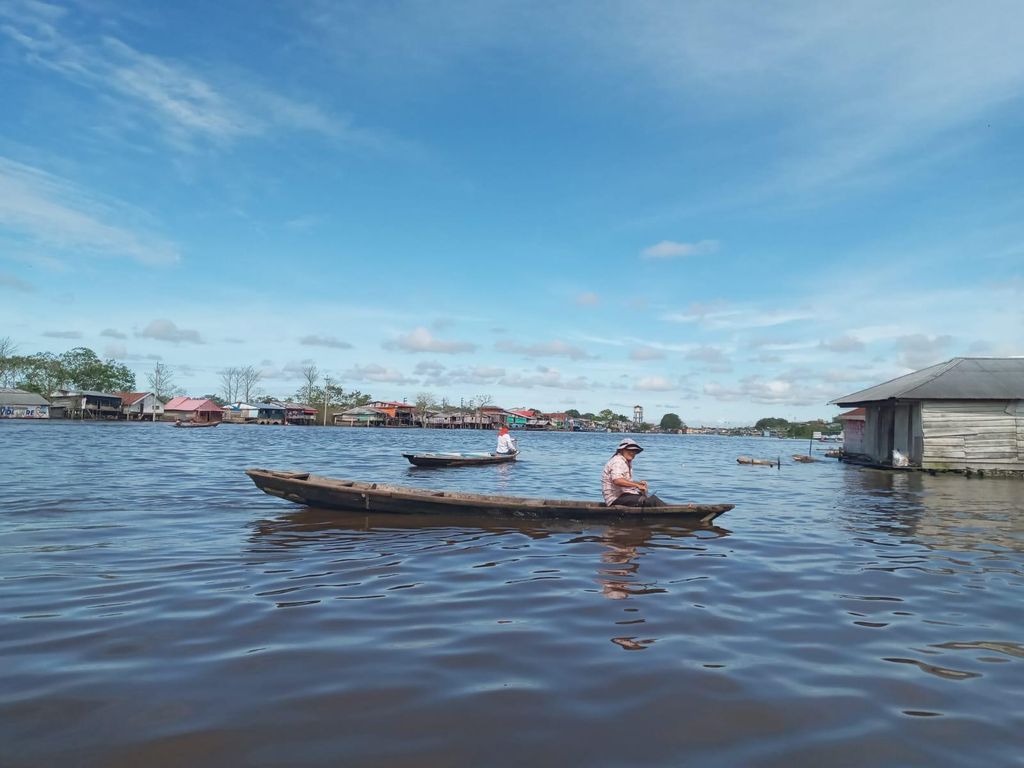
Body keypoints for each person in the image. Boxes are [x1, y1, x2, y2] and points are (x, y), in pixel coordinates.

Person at [601, 438, 667, 507]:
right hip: (615, 499)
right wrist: (637, 485)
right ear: (622, 450)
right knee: (652, 500)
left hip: (623, 495)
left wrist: (639, 483)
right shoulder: (618, 461)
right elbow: (617, 480)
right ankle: (670, 514)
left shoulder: (625, 462)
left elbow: (624, 480)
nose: (632, 453)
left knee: (651, 497)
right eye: (629, 450)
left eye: (634, 451)